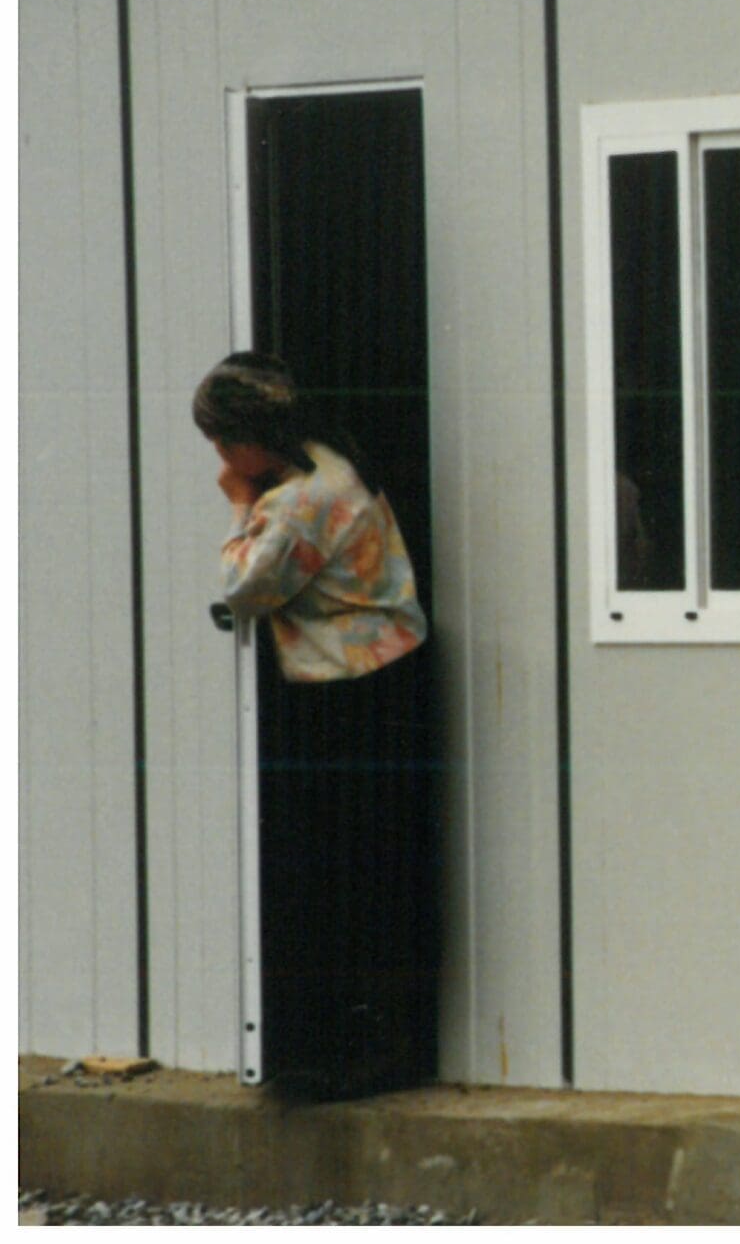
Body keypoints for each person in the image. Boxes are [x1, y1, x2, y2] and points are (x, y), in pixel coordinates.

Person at [193, 351, 435, 1098]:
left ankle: (364, 1052)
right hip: (386, 678)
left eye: (223, 442)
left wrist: (238, 503)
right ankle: (380, 1043)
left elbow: (242, 586)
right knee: (377, 865)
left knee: (348, 867)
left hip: (354, 690)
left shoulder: (299, 501)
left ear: (251, 438)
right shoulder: (330, 461)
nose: (221, 458)